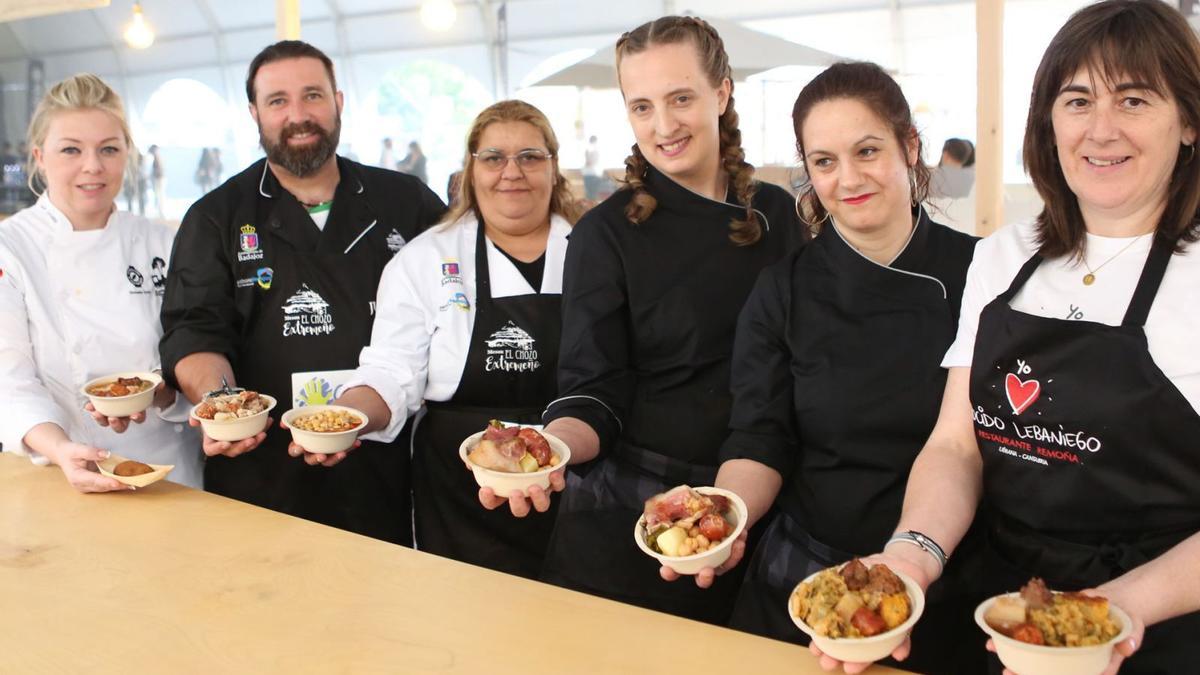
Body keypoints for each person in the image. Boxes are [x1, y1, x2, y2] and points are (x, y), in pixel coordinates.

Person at [835, 2, 1200, 673]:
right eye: (1078, 99)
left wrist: (1102, 614)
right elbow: (956, 443)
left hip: (1156, 626)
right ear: (1048, 119)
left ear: (1188, 122)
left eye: (1135, 99)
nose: (1100, 128)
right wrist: (912, 553)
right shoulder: (1005, 255)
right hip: (994, 608)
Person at [686, 62, 982, 674]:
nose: (847, 178)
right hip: (808, 577)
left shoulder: (983, 275)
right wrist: (725, 516)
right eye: (823, 162)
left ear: (910, 147)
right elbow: (759, 436)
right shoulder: (783, 290)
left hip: (948, 577)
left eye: (867, 150)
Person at [519, 16, 807, 624]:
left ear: (722, 93)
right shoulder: (605, 234)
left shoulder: (778, 215)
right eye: (641, 106)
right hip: (629, 515)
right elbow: (590, 388)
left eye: (681, 99)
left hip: (758, 503)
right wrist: (549, 450)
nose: (663, 125)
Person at [159, 41, 446, 545]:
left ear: (338, 101)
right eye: (277, 101)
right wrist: (226, 410)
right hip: (258, 468)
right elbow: (194, 329)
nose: (298, 115)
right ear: (254, 113)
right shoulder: (216, 216)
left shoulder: (406, 202)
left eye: (312, 96)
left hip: (381, 467)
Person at [295, 100, 582, 578]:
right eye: (493, 158)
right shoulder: (425, 259)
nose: (512, 172)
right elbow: (391, 368)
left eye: (530, 156)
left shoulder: (593, 250)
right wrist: (349, 418)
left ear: (554, 167)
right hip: (461, 493)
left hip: (578, 475)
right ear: (470, 170)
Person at [0, 74, 202, 490]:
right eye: (71, 149)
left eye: (109, 149)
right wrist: (61, 450)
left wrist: (164, 395)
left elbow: (197, 348)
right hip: (66, 468)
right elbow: (9, 380)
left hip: (173, 471)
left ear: (127, 154)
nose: (93, 166)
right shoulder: (12, 247)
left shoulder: (164, 241)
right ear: (39, 156)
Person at [148, 144, 165, 219]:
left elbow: (159, 171)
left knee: (159, 196)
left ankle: (160, 212)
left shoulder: (157, 157)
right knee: (159, 196)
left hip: (158, 179)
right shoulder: (158, 157)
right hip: (159, 179)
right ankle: (160, 212)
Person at [582, 134, 602, 201]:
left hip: (590, 173)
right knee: (591, 193)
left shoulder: (591, 149)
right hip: (590, 173)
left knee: (591, 193)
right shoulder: (592, 149)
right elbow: (590, 162)